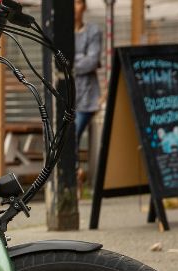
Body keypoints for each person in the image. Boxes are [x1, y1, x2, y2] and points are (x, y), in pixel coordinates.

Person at [74, 0, 103, 166]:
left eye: (77, 2)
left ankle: (75, 179)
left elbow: (92, 61)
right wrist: (81, 57)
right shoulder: (60, 33)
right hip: (64, 97)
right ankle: (75, 179)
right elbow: (56, 61)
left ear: (84, 6)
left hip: (87, 98)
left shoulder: (93, 31)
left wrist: (71, 61)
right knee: (64, 141)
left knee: (72, 137)